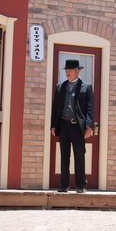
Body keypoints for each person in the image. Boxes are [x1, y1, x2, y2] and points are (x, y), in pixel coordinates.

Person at [51, 59, 94, 193]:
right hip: (63, 124)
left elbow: (90, 109)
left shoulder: (86, 87)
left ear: (77, 71)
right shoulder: (60, 87)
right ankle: (64, 185)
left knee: (79, 156)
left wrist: (89, 126)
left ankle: (81, 185)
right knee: (64, 155)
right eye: (66, 70)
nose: (67, 72)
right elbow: (55, 108)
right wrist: (53, 125)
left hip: (78, 126)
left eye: (70, 70)